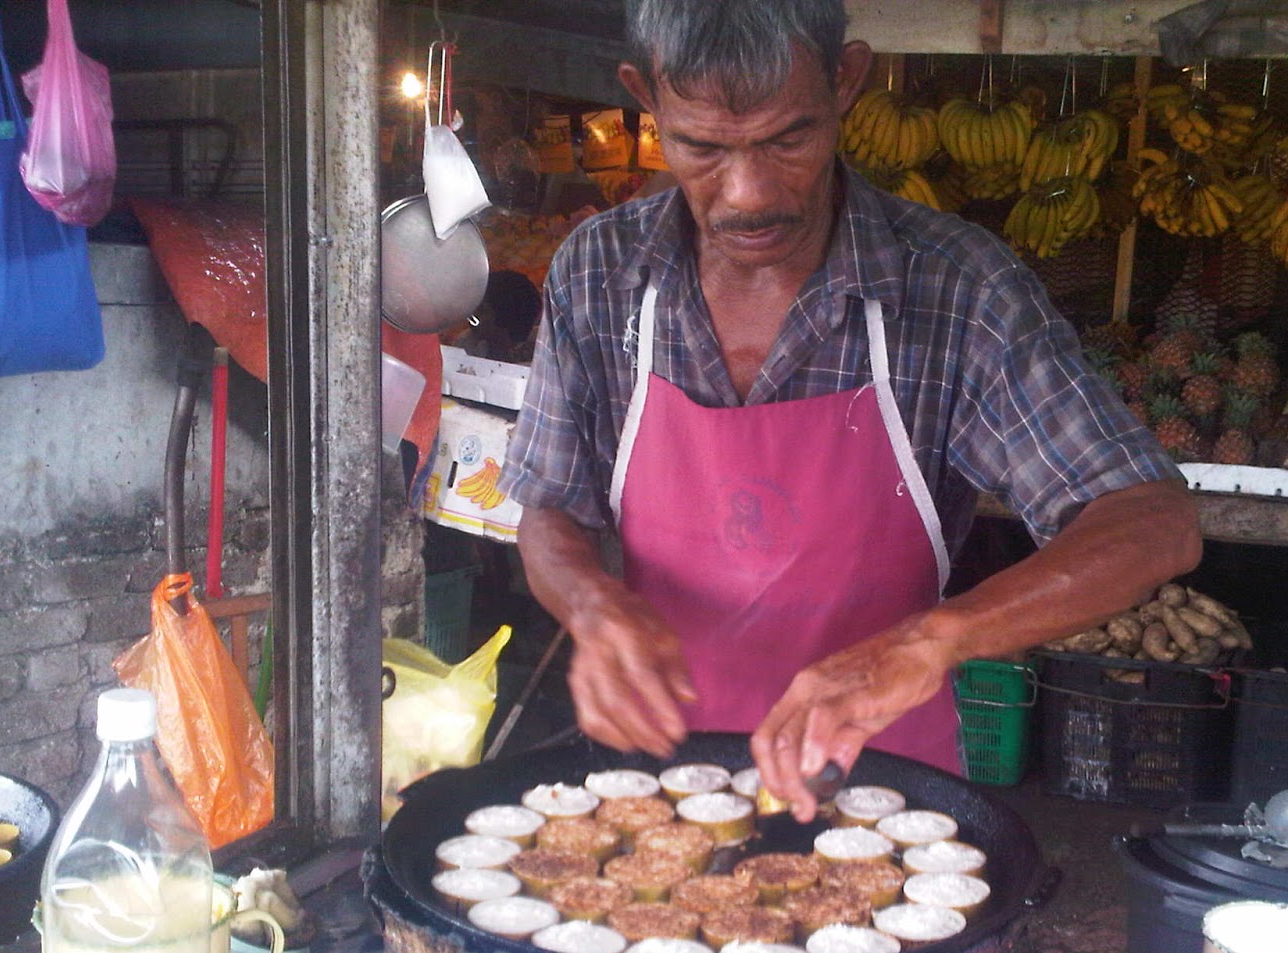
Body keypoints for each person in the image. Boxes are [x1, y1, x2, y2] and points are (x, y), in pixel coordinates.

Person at [499, 0, 1201, 820]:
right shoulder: (598, 269)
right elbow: (551, 509)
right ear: (643, 97)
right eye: (701, 147)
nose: (748, 194)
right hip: (654, 788)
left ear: (847, 82)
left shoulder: (956, 288)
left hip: (886, 786)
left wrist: (933, 641)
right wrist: (588, 601)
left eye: (787, 139)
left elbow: (1154, 521)